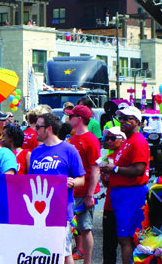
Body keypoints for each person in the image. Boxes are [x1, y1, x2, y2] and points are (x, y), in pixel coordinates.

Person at [28, 113, 85, 264]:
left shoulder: (69, 150)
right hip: (38, 212)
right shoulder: (35, 152)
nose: (35, 130)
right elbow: (30, 181)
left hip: (60, 212)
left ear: (49, 129)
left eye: (38, 127)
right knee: (40, 252)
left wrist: (72, 182)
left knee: (64, 253)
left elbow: (82, 179)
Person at [100, 106, 150, 264]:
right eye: (120, 118)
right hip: (121, 195)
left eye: (126, 119)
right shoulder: (128, 141)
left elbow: (139, 170)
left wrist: (114, 169)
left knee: (127, 238)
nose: (122, 122)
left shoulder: (138, 141)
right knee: (124, 238)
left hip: (131, 195)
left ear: (136, 121)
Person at [65, 105, 101, 263]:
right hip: (73, 192)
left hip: (84, 192)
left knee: (85, 228)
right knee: (75, 228)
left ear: (79, 119)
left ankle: (88, 261)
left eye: (71, 116)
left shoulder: (91, 140)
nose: (68, 119)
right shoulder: (73, 138)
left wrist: (90, 195)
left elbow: (95, 169)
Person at [100, 126, 126, 264]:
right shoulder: (107, 157)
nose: (108, 141)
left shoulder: (126, 156)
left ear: (123, 140)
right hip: (110, 203)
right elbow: (106, 184)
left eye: (112, 138)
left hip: (126, 203)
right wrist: (104, 175)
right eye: (106, 138)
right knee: (109, 243)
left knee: (126, 241)